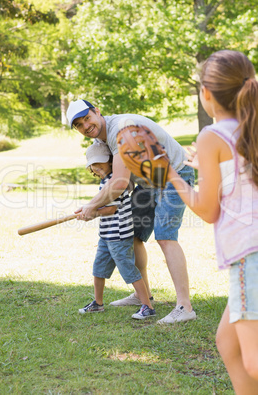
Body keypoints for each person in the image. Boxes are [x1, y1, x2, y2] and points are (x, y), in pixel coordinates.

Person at [164, 50, 258, 393]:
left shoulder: (212, 135)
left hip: (251, 255)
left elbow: (207, 210)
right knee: (228, 343)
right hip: (251, 253)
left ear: (206, 93)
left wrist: (172, 174)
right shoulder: (250, 128)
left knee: (254, 360)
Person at [66, 99, 196, 324]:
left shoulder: (121, 129)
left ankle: (185, 306)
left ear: (97, 111)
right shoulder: (102, 139)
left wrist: (91, 205)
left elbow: (118, 182)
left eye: (87, 118)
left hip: (175, 174)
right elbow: (124, 182)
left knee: (165, 237)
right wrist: (97, 208)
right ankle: (142, 295)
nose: (85, 126)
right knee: (133, 234)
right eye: (79, 125)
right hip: (149, 183)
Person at [77, 141, 156, 320]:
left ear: (111, 161)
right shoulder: (106, 182)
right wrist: (88, 209)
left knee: (128, 270)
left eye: (100, 163)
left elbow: (111, 209)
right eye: (93, 165)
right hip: (106, 235)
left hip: (119, 235)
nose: (96, 168)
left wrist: (92, 212)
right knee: (98, 269)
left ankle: (147, 305)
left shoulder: (117, 181)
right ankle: (97, 303)